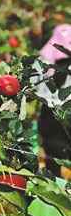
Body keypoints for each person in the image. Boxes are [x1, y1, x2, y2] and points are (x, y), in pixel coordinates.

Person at [35, 24, 71, 177]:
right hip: (67, 114)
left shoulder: (45, 59)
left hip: (49, 115)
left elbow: (34, 84)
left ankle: (51, 187)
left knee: (52, 154)